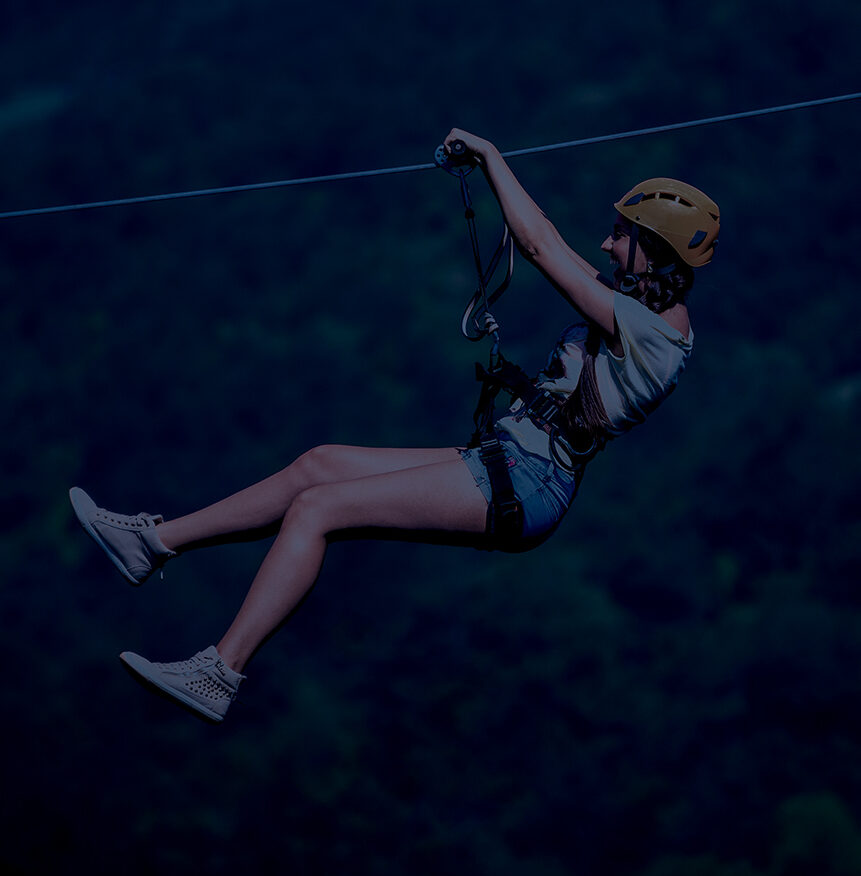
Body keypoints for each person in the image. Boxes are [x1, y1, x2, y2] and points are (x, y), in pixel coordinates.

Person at [69, 128, 720, 723]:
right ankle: (153, 544)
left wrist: (490, 155)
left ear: (654, 252)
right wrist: (493, 166)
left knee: (318, 508)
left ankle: (220, 671)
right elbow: (548, 234)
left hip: (528, 481)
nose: (605, 243)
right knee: (317, 464)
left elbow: (538, 245)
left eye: (619, 234)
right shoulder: (636, 305)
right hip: (511, 460)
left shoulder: (653, 334)